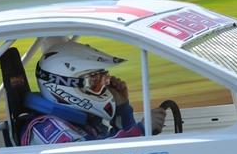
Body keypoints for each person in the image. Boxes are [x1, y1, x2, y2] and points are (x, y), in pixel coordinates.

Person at [19, 41, 167, 145]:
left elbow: (124, 152)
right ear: (61, 87)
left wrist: (122, 110)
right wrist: (141, 130)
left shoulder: (81, 120)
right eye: (95, 82)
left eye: (104, 79)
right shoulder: (46, 129)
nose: (105, 88)